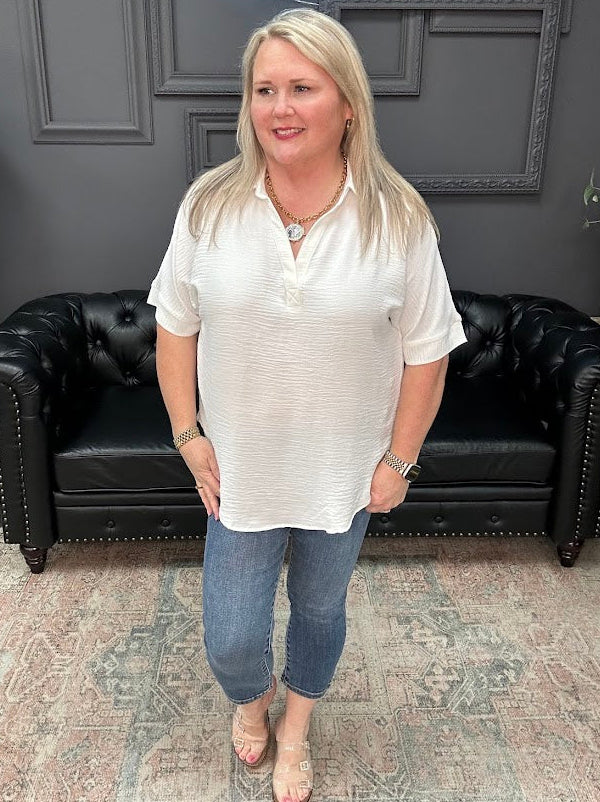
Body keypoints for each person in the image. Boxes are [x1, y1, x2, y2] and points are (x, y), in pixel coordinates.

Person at [147, 8, 467, 802]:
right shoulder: (208, 207)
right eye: (264, 89)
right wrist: (188, 435)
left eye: (302, 87)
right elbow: (174, 329)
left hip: (343, 477)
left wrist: (399, 460)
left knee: (320, 612)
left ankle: (294, 728)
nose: (280, 108)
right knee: (230, 640)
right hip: (242, 475)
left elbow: (427, 350)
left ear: (347, 102)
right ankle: (249, 704)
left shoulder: (399, 217)